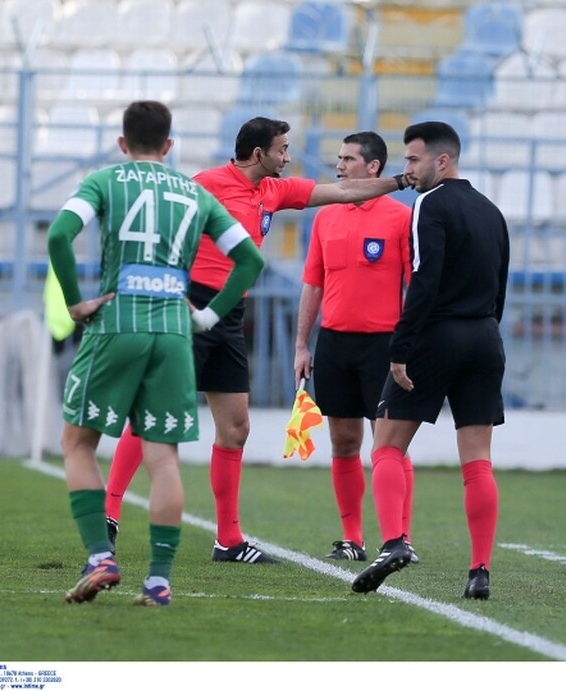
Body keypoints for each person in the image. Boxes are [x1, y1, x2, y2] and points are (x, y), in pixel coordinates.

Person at [104, 117, 408, 565]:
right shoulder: (206, 184)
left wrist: (400, 180)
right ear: (257, 153)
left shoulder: (275, 191)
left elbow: (344, 192)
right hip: (188, 306)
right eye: (282, 149)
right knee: (157, 412)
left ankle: (228, 541)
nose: (288, 157)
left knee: (236, 428)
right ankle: (108, 513)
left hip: (230, 314)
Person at [48, 100, 264, 606]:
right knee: (163, 457)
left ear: (123, 144)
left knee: (79, 443)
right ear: (169, 146)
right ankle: (159, 579)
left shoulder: (105, 181)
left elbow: (60, 233)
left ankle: (102, 556)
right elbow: (249, 259)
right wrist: (209, 316)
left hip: (117, 322)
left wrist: (75, 302)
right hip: (174, 330)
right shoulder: (195, 191)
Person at [349, 121, 510, 600]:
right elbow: (500, 287)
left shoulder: (429, 204)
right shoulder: (492, 211)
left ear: (442, 160)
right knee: (478, 460)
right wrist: (484, 331)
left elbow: (424, 279)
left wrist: (401, 348)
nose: (407, 170)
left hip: (437, 335)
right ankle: (479, 570)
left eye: (413, 160)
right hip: (484, 336)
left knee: (386, 445)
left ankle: (394, 542)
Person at [292, 132, 413, 562]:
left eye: (348, 159)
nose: (339, 165)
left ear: (374, 167)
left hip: (384, 345)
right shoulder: (326, 217)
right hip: (335, 343)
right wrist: (302, 344)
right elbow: (313, 283)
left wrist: (411, 344)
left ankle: (400, 538)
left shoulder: (400, 218)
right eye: (338, 158)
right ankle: (353, 538)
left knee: (389, 444)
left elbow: (413, 288)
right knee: (343, 442)